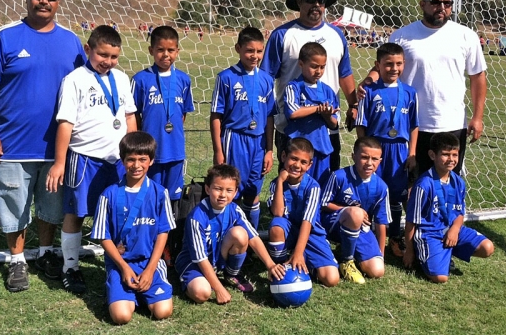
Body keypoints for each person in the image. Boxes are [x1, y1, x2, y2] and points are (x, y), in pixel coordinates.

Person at [0, 0, 86, 292]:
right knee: (14, 206)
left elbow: (83, 88)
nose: (43, 1)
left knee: (51, 207)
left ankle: (47, 253)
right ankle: (17, 260)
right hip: (13, 146)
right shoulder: (3, 37)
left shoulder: (71, 41)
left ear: (58, 1)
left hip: (57, 148)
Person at [46, 25, 137, 293]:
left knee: (121, 211)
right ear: (88, 50)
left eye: (114, 57)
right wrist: (60, 162)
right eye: (102, 55)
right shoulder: (75, 80)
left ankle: (121, 262)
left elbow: (130, 115)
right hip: (84, 158)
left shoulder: (121, 78)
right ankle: (70, 267)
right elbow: (65, 123)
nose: (108, 62)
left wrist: (133, 153)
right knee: (76, 213)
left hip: (117, 161)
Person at [358, 0, 486, 176]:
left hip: (451, 123)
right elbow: (385, 64)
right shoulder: (402, 35)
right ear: (422, 4)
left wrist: (477, 117)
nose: (441, 7)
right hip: (409, 124)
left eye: (447, 3)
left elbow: (478, 77)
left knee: (445, 182)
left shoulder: (466, 36)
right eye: (435, 2)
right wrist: (369, 79)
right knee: (409, 182)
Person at [261, 0, 357, 172]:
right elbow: (265, 79)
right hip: (291, 128)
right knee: (292, 182)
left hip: (325, 127)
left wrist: (353, 104)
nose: (316, 4)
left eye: (320, 0)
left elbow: (344, 73)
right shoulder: (282, 35)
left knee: (326, 183)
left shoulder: (337, 35)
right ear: (299, 2)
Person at [91, 131, 175, 324]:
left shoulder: (160, 193)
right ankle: (123, 292)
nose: (136, 165)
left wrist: (151, 269)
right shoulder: (108, 195)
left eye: (142, 159)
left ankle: (142, 291)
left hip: (149, 262)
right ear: (122, 160)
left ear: (151, 161)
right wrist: (123, 268)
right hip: (120, 263)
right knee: (121, 317)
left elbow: (163, 232)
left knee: (163, 312)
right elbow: (103, 237)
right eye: (130, 160)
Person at [175, 164, 286, 304]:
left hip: (216, 258)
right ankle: (191, 279)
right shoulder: (197, 217)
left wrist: (270, 265)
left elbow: (254, 238)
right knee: (202, 293)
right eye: (218, 189)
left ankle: (231, 274)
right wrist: (219, 289)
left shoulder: (234, 209)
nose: (223, 195)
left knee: (240, 234)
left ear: (235, 193)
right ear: (207, 189)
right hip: (195, 262)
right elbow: (200, 259)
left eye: (229, 190)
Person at [403, 132, 494, 283]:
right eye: (445, 154)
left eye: (455, 154)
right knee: (440, 278)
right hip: (430, 233)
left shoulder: (458, 182)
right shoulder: (424, 184)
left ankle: (446, 250)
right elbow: (411, 220)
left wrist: (454, 230)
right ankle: (424, 253)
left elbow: (459, 212)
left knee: (487, 248)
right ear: (432, 155)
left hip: (451, 230)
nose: (451, 159)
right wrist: (409, 251)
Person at [355, 43, 418, 257]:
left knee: (396, 195)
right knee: (371, 191)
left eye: (398, 64)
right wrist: (364, 152)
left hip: (399, 151)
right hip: (376, 149)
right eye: (388, 64)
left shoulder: (409, 92)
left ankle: (394, 237)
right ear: (377, 65)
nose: (394, 68)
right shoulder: (368, 92)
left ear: (404, 65)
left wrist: (412, 153)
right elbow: (361, 123)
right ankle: (366, 235)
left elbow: (414, 126)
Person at [210, 26, 275, 230]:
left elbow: (270, 117)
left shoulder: (266, 79)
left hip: (258, 143)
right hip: (234, 139)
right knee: (230, 189)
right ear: (238, 48)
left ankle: (250, 239)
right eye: (249, 50)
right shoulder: (226, 77)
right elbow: (216, 116)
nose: (254, 56)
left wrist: (270, 150)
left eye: (259, 51)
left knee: (253, 191)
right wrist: (218, 150)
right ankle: (227, 237)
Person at [131, 26, 194, 208]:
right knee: (148, 196)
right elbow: (134, 114)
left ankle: (170, 235)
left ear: (177, 51)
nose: (165, 55)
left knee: (173, 199)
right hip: (150, 152)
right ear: (151, 50)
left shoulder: (184, 80)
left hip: (175, 151)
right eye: (160, 50)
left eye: (170, 50)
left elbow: (182, 114)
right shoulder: (140, 79)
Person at [267, 137, 340, 288]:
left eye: (303, 162)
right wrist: (280, 182)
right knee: (276, 226)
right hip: (289, 231)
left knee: (331, 279)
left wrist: (299, 253)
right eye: (294, 159)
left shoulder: (313, 187)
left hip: (311, 234)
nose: (297, 165)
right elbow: (278, 212)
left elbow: (307, 222)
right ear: (283, 156)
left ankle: (304, 259)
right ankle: (280, 267)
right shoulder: (275, 184)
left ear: (309, 165)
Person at [320, 136, 390, 283]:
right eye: (364, 157)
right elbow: (323, 204)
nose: (369, 163)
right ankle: (346, 261)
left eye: (374, 159)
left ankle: (354, 251)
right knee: (356, 213)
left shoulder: (381, 187)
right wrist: (348, 209)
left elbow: (381, 222)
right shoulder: (339, 176)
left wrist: (381, 254)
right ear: (353, 156)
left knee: (377, 270)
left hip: (359, 227)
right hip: (332, 223)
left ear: (380, 161)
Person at [283, 42, 339, 184]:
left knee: (320, 186)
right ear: (301, 64)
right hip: (298, 151)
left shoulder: (328, 90)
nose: (318, 71)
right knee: (294, 185)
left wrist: (327, 116)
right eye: (314, 66)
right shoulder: (293, 87)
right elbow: (293, 112)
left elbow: (334, 124)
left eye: (322, 67)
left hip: (320, 149)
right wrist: (318, 109)